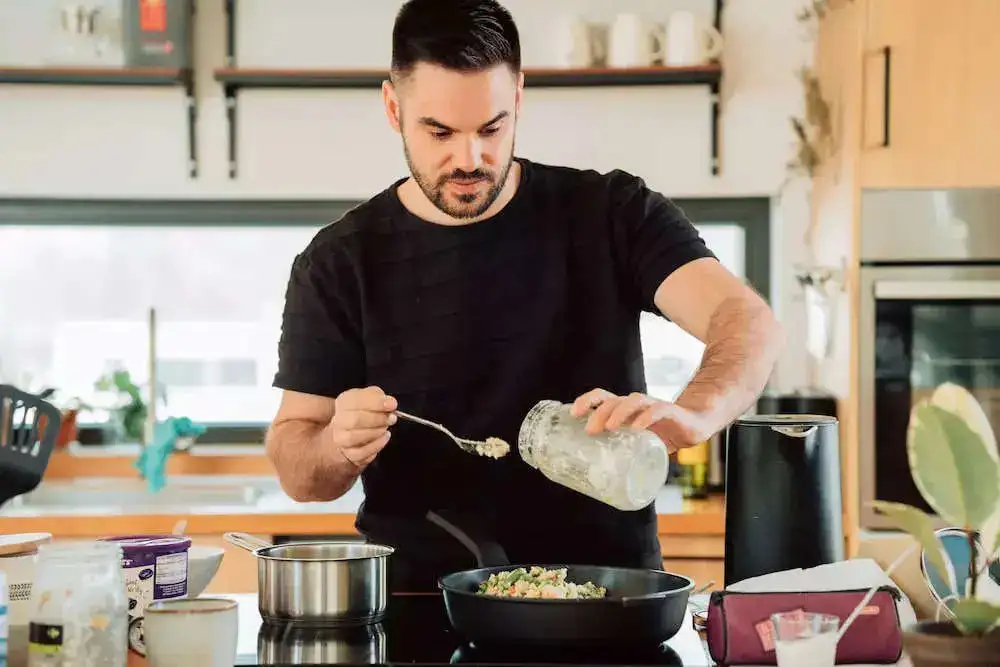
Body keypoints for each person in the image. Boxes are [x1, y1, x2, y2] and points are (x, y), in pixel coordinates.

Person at [265, 0, 784, 592]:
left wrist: (696, 414)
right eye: (439, 132)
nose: (469, 159)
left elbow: (746, 319)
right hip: (425, 610)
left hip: (607, 601)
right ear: (393, 107)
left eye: (492, 128)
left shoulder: (610, 213)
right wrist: (337, 445)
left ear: (519, 99)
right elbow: (300, 469)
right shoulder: (338, 262)